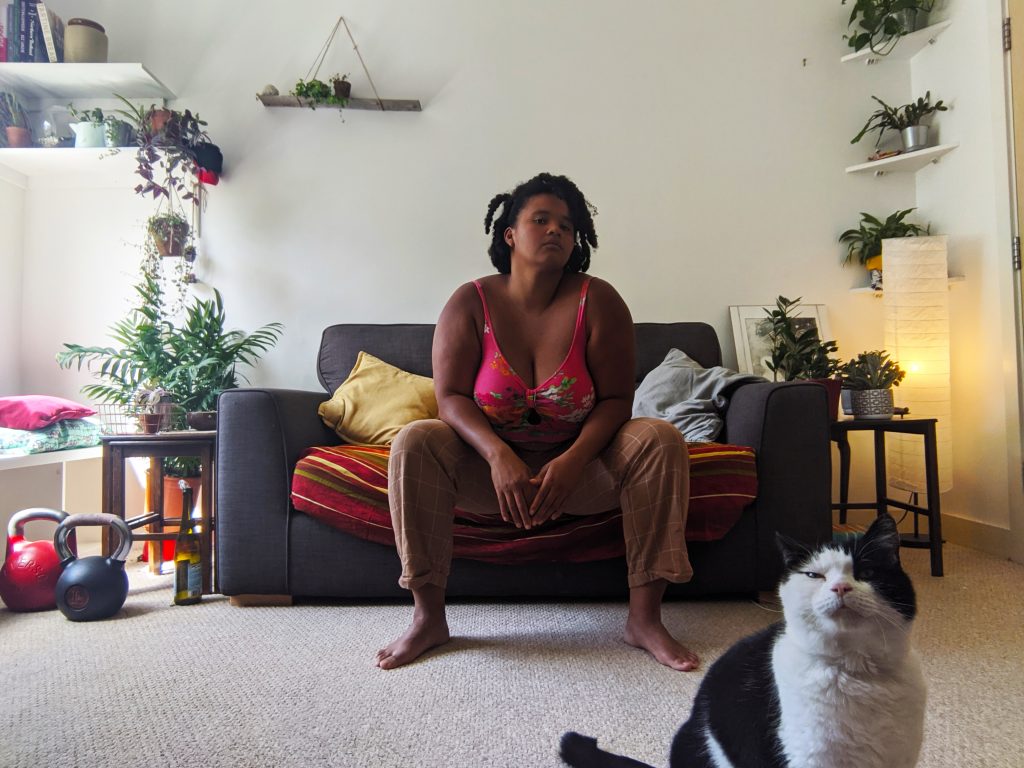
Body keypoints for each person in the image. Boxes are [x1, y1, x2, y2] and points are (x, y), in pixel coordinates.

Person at [376, 172, 697, 672]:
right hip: (491, 478)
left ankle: (644, 619)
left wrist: (572, 462)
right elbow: (451, 398)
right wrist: (498, 455)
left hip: (581, 475)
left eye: (567, 226)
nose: (555, 232)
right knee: (416, 440)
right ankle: (427, 618)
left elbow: (616, 400)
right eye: (540, 220)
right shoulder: (469, 302)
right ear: (509, 234)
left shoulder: (599, 301)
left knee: (661, 437)